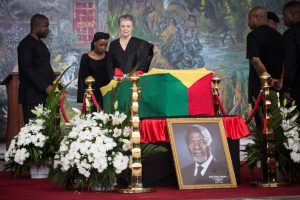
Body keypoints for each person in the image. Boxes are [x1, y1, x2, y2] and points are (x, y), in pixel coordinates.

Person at [246, 6, 284, 182]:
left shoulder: (253, 36)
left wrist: (266, 79)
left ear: (256, 18)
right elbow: (286, 61)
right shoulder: (279, 36)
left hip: (260, 89)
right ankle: (283, 170)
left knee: (263, 129)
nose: (248, 23)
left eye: (249, 19)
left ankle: (267, 174)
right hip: (278, 88)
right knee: (278, 127)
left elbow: (255, 59)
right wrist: (279, 80)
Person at [18, 14, 56, 124]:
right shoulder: (25, 44)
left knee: (45, 130)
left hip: (42, 94)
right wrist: (45, 87)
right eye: (45, 26)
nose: (48, 30)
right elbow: (28, 70)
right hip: (31, 95)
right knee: (33, 130)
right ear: (35, 26)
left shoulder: (40, 44)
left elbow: (45, 67)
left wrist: (56, 84)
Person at [106, 14, 154, 79]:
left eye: (128, 26)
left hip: (135, 81)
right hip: (117, 82)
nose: (125, 29)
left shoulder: (142, 44)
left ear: (133, 27)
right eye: (123, 26)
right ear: (119, 27)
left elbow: (144, 65)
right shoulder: (113, 44)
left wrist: (134, 76)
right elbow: (109, 65)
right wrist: (115, 78)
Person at [77, 32, 111, 109]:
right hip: (91, 94)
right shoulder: (86, 58)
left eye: (105, 45)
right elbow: (82, 78)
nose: (103, 47)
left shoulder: (109, 56)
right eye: (101, 45)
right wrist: (82, 98)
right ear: (95, 43)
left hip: (106, 94)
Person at [282, 1, 300, 110]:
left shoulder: (290, 34)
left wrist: (286, 88)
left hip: (297, 87)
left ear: (292, 15)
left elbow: (291, 63)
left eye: (285, 15)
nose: (283, 19)